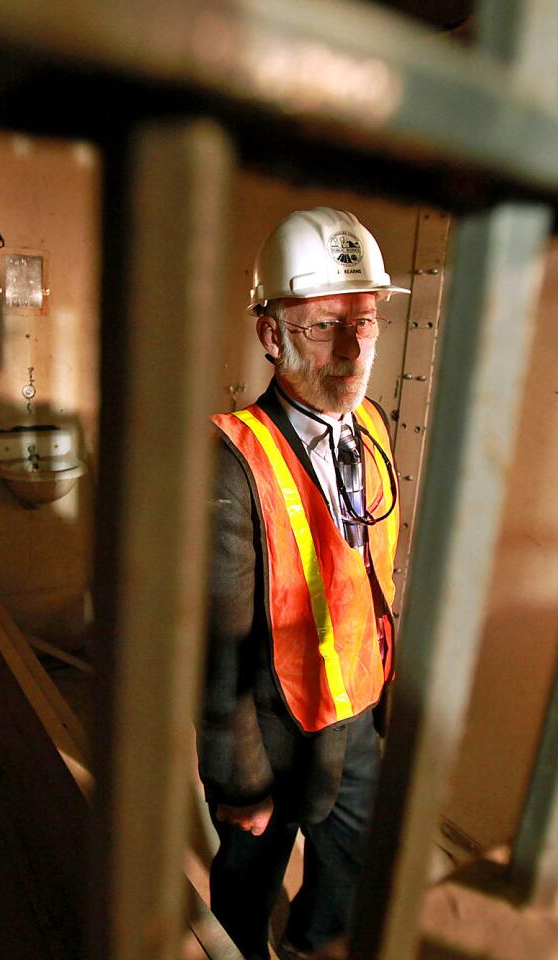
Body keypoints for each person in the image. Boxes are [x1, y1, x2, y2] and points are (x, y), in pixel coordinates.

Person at [199, 207, 405, 960]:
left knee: (349, 876)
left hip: (358, 709)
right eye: (324, 326)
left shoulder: (373, 424)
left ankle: (314, 947)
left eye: (367, 320)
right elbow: (218, 648)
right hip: (273, 728)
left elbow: (371, 572)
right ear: (270, 335)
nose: (354, 350)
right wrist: (240, 782)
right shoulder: (230, 459)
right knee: (248, 883)